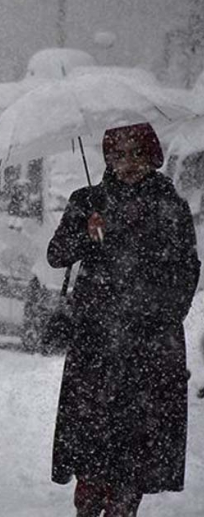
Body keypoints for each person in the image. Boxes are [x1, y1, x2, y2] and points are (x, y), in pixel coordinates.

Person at [47, 122, 200, 517]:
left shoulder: (170, 206)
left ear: (152, 156)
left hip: (149, 343)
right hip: (96, 339)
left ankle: (123, 507)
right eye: (119, 154)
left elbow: (187, 269)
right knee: (91, 434)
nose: (128, 163)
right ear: (108, 158)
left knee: (137, 441)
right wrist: (86, 230)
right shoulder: (88, 200)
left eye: (136, 153)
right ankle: (89, 500)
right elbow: (57, 254)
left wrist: (164, 313)